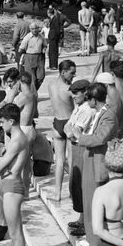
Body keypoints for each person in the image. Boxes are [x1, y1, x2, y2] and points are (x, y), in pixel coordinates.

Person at [75, 83, 118, 246]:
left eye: (88, 98)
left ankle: (98, 243)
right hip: (91, 158)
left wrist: (81, 137)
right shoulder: (100, 113)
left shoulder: (108, 115)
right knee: (88, 198)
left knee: (96, 202)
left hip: (98, 160)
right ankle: (92, 237)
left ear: (94, 99)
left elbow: (99, 138)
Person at [0, 104, 31, 246]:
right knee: (13, 231)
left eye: (2, 121)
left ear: (11, 121)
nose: (0, 125)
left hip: (13, 187)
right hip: (9, 184)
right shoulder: (14, 137)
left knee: (16, 233)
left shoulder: (17, 140)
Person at [63, 79, 94, 237]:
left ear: (85, 93)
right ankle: (81, 219)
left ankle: (86, 223)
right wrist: (69, 131)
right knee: (76, 184)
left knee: (82, 185)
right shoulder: (79, 108)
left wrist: (70, 131)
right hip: (75, 148)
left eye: (76, 93)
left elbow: (73, 131)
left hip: (81, 148)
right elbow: (66, 127)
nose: (73, 96)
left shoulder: (87, 109)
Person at [47, 60, 77, 202]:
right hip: (68, 123)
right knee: (71, 161)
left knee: (59, 161)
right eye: (72, 73)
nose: (73, 76)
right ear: (63, 72)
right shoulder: (70, 90)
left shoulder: (51, 85)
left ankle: (57, 193)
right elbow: (77, 110)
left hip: (57, 123)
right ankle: (72, 192)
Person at [19, 22, 46, 90]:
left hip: (40, 57)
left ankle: (34, 90)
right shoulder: (27, 37)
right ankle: (33, 93)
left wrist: (44, 49)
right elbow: (20, 49)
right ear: (30, 29)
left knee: (41, 76)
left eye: (36, 28)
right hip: (30, 57)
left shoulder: (41, 36)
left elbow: (45, 45)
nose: (35, 30)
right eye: (33, 29)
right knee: (32, 78)